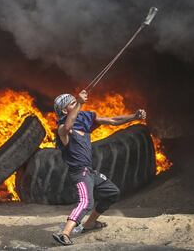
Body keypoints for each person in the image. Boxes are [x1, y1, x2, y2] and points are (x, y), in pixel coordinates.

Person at [52, 89, 146, 246]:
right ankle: (64, 233)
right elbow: (68, 126)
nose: (77, 105)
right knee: (85, 202)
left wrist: (134, 117)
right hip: (79, 173)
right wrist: (80, 103)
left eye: (77, 103)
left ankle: (89, 223)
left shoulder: (84, 120)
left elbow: (112, 120)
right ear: (64, 110)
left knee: (112, 193)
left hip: (90, 172)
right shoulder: (62, 129)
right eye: (73, 104)